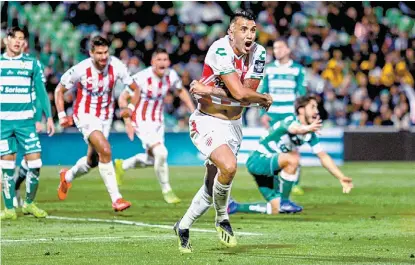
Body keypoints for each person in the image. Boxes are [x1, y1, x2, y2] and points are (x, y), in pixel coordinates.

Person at [173, 10, 273, 253]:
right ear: (231, 32)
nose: (249, 35)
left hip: (233, 126)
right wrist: (261, 97)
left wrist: (210, 91)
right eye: (243, 30)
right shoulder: (220, 50)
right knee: (228, 167)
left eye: (252, 30)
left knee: (212, 186)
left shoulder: (259, 53)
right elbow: (241, 94)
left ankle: (183, 226)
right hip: (207, 120)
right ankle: (222, 217)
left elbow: (246, 95)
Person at [228, 95, 353, 215]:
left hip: (270, 168)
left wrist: (341, 177)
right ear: (301, 110)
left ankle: (235, 206)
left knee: (276, 209)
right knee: (293, 158)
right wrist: (307, 129)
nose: (316, 111)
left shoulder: (310, 133)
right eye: (313, 107)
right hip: (258, 160)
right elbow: (295, 129)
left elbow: (323, 156)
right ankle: (285, 201)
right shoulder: (290, 120)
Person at [55, 36, 139, 212]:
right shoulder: (81, 69)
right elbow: (59, 90)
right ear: (91, 53)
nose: (103, 56)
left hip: (105, 118)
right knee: (106, 151)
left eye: (106, 52)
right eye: (99, 53)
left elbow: (135, 89)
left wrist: (130, 108)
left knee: (92, 161)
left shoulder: (116, 65)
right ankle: (116, 199)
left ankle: (67, 176)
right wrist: (62, 115)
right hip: (85, 115)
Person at [115, 48, 195, 204]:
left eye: (165, 59)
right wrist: (128, 122)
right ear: (152, 62)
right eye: (159, 59)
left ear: (169, 62)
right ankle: (167, 190)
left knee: (154, 159)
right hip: (141, 120)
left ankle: (122, 165)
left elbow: (181, 91)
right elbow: (123, 98)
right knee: (162, 153)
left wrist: (193, 110)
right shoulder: (142, 77)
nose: (162, 63)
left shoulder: (171, 75)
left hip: (158, 122)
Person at [0, 27, 55, 220]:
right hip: (3, 124)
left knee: (36, 162)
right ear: (7, 40)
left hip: (25, 123)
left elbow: (41, 92)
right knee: (6, 165)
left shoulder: (32, 64)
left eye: (21, 39)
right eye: (14, 38)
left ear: (24, 42)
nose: (17, 42)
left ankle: (29, 203)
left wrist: (48, 117)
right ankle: (8, 209)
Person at [259, 38, 307, 195]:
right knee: (274, 148)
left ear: (287, 50)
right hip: (273, 115)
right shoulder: (269, 69)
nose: (276, 51)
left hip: (290, 114)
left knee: (292, 148)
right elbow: (264, 92)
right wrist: (263, 113)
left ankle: (294, 182)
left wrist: (302, 114)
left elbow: (301, 94)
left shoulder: (298, 70)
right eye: (274, 48)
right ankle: (277, 181)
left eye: (280, 48)